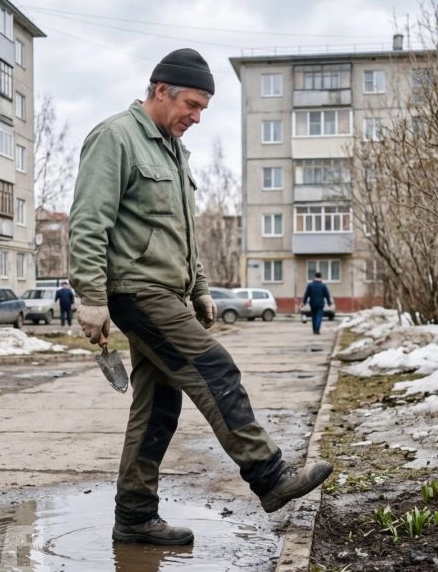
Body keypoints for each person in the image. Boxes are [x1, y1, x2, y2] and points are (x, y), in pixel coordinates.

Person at [69, 48, 333, 546]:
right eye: (191, 105)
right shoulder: (116, 138)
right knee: (215, 367)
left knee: (159, 406)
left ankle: (134, 517)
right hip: (135, 290)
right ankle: (269, 475)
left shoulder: (173, 150)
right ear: (160, 90)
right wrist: (90, 296)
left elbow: (185, 233)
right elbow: (88, 221)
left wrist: (202, 290)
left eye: (203, 110)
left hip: (167, 291)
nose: (195, 117)